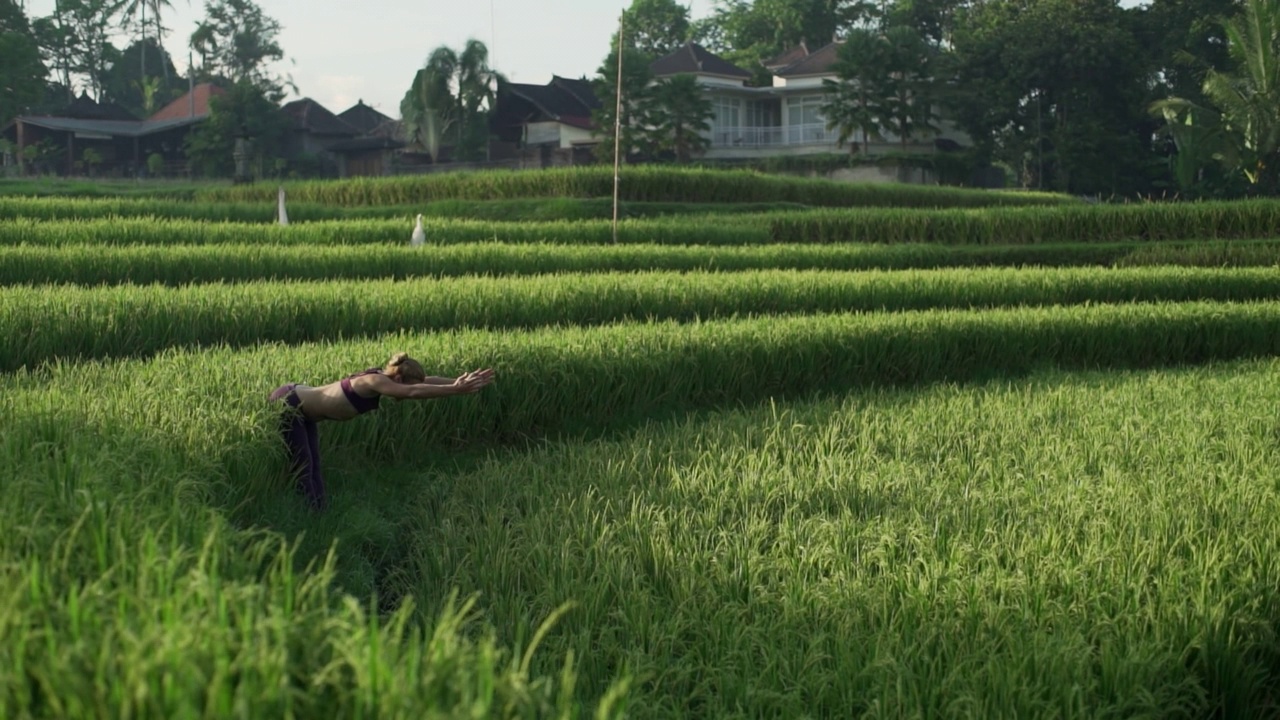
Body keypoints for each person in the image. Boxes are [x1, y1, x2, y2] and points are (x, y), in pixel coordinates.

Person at [268, 352, 495, 510]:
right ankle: (309, 519)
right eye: (402, 385)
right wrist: (454, 391)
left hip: (304, 409)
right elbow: (413, 391)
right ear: (397, 378)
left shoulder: (387, 378)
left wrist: (458, 383)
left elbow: (422, 382)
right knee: (304, 467)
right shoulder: (373, 381)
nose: (401, 392)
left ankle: (318, 514)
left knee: (314, 465)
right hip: (289, 402)